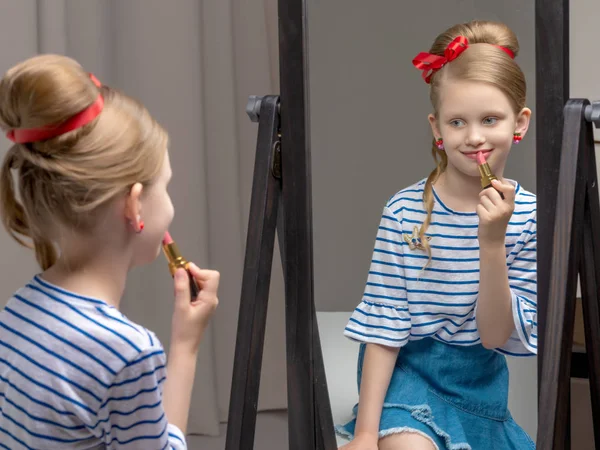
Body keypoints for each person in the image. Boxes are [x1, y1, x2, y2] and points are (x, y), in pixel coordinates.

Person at [0, 54, 219, 449]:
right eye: (164, 187)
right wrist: (185, 346)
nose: (170, 204)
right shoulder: (126, 352)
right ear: (134, 206)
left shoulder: (17, 310)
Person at [336, 20, 537, 450]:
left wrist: (492, 242)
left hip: (479, 383)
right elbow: (384, 327)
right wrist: (368, 434)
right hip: (404, 375)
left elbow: (494, 337)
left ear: (519, 123)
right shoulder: (403, 212)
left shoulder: (530, 217)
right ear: (437, 129)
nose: (475, 137)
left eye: (490, 119)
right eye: (457, 122)